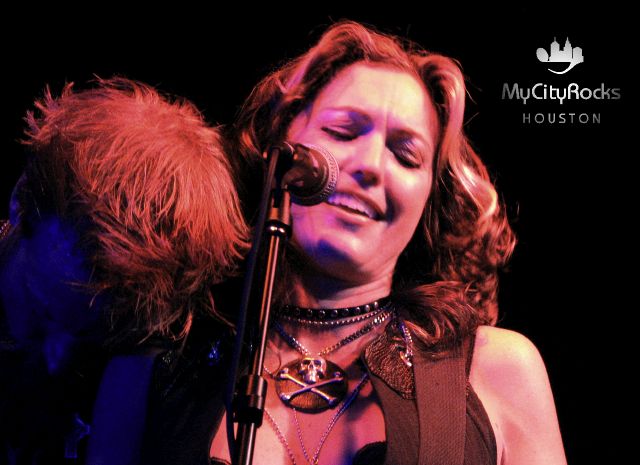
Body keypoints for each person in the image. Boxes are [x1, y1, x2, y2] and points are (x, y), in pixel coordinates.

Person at [140, 20, 567, 465]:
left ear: (429, 203)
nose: (370, 165)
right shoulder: (157, 365)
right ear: (276, 144)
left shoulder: (495, 371)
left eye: (406, 156)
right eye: (343, 132)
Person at [0, 77, 248, 464]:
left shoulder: (156, 345)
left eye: (92, 336)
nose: (57, 360)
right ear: (21, 200)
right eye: (42, 314)